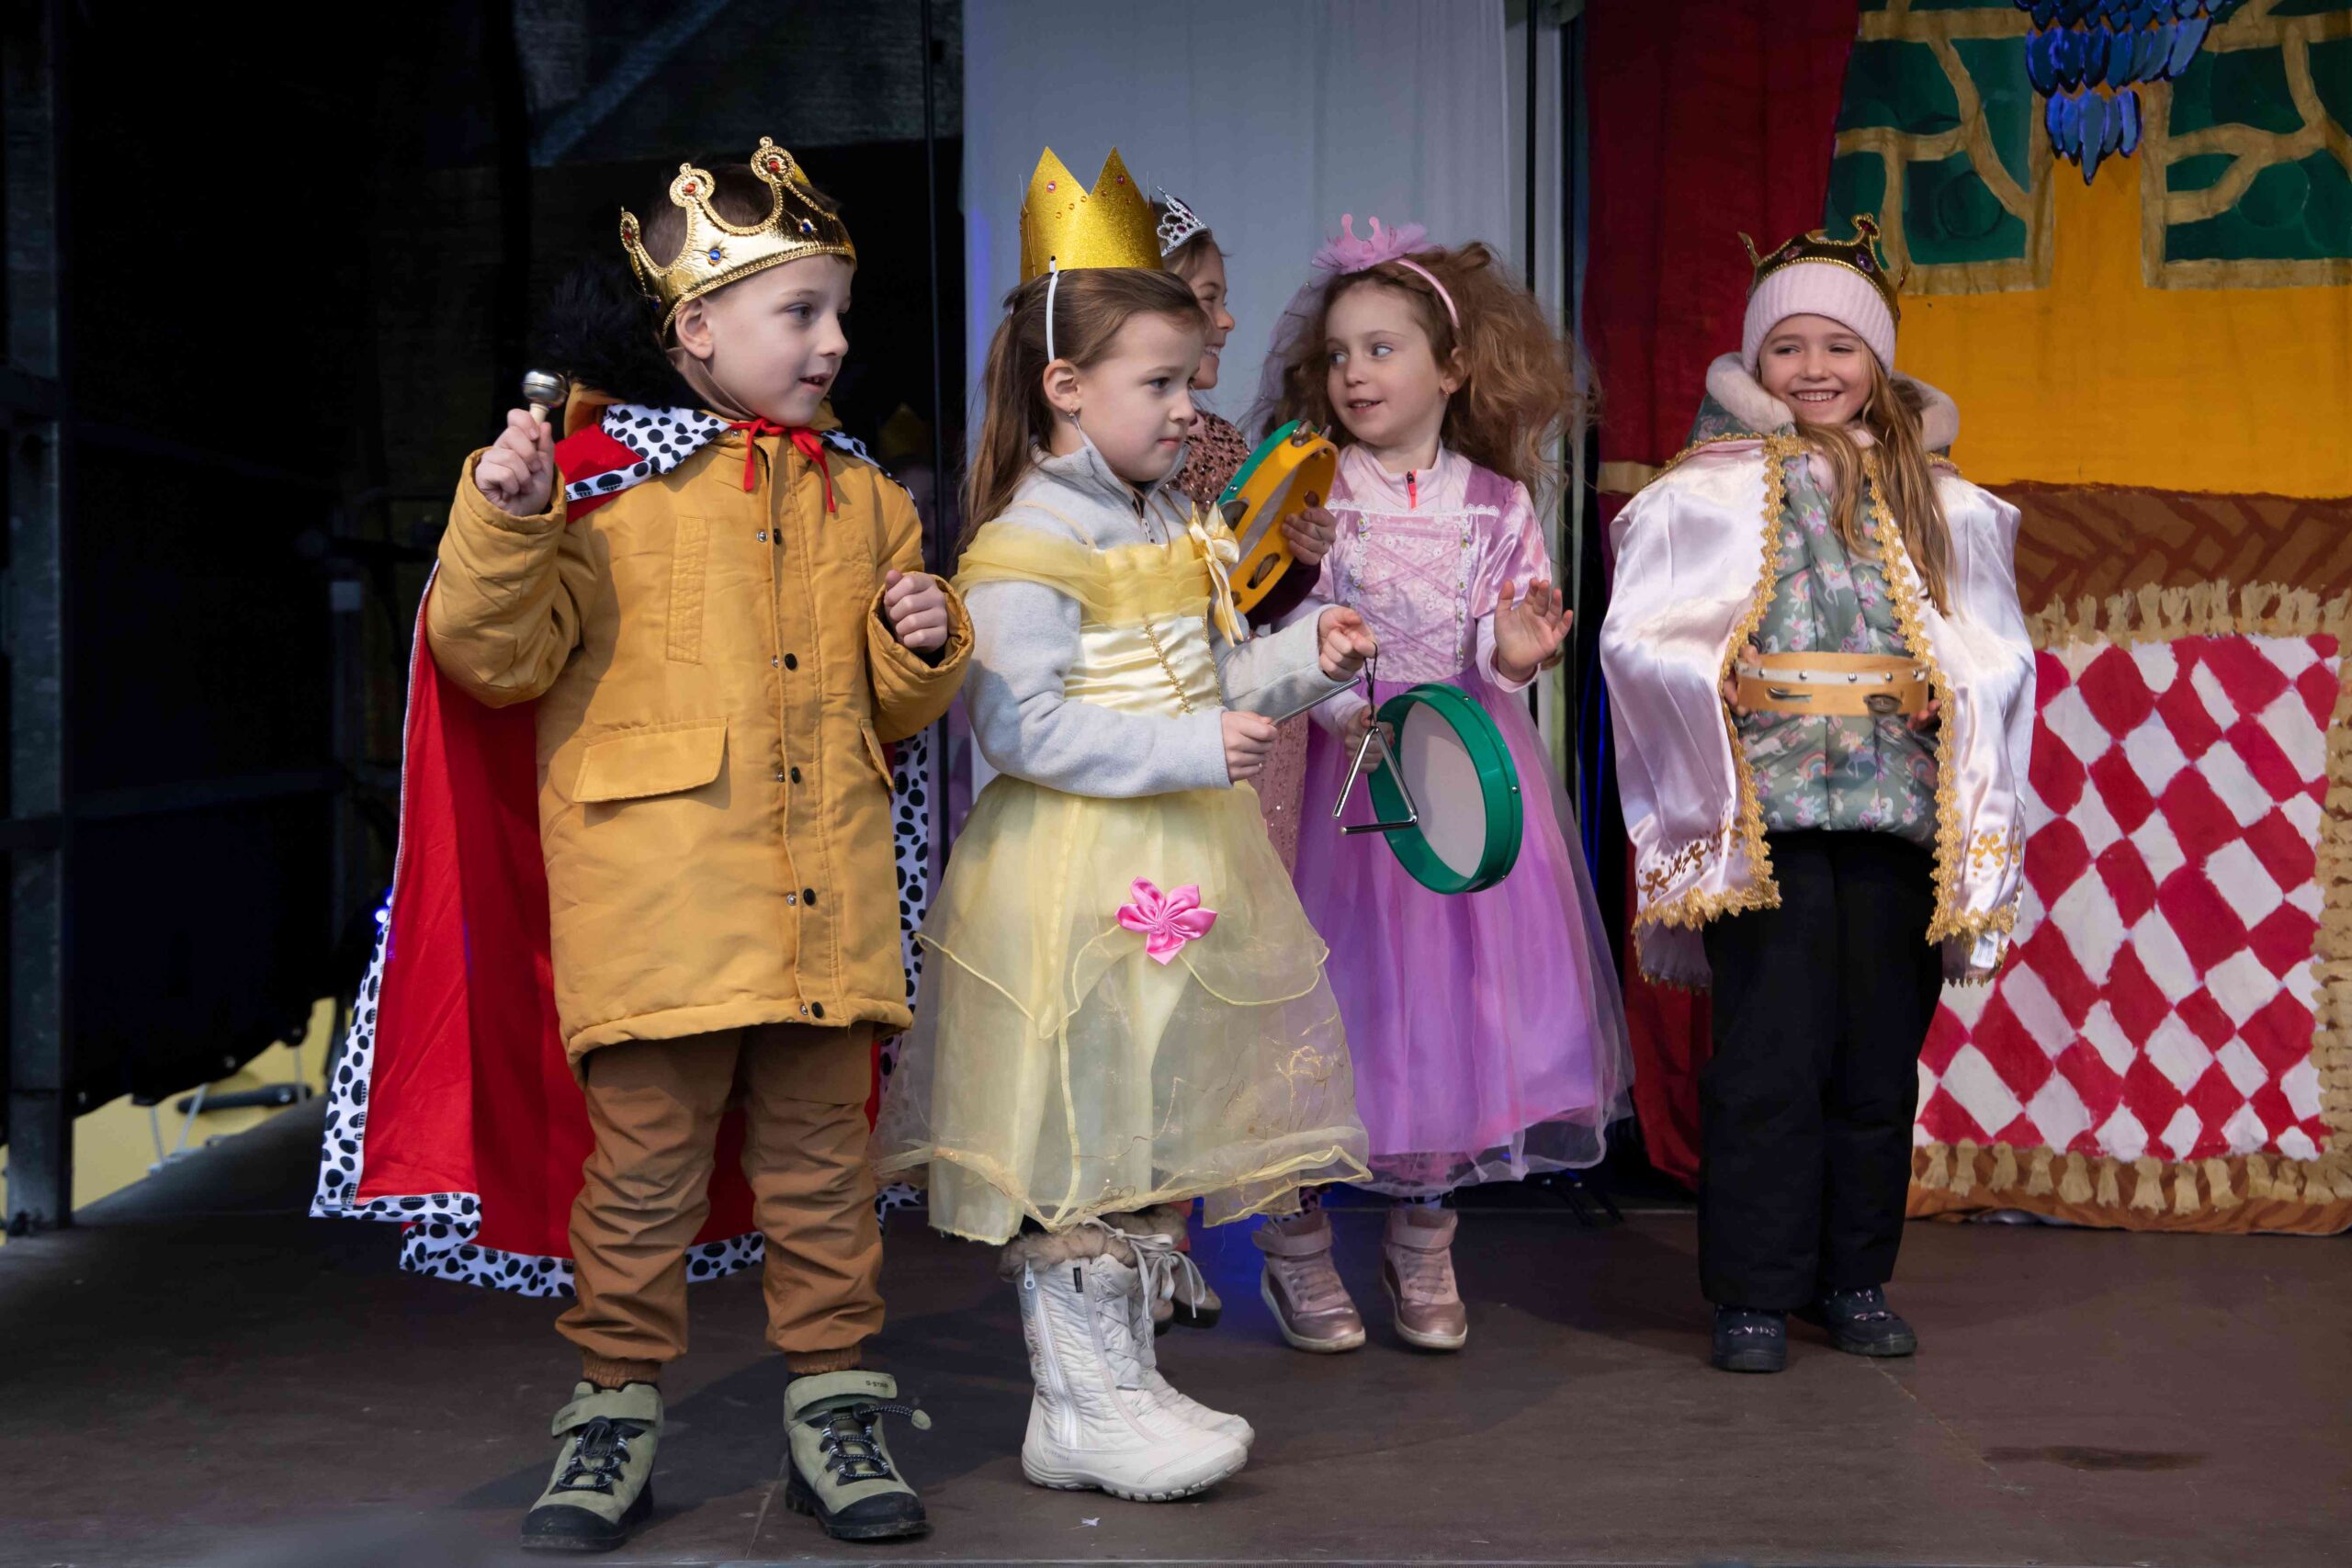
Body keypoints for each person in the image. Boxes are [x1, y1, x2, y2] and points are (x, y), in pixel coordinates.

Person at [383, 140, 967, 1550]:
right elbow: (492, 656)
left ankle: (834, 1404)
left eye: (839, 312)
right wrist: (503, 520)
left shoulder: (867, 499)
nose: (834, 341)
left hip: (825, 915)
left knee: (826, 1182)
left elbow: (891, 710)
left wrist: (925, 645)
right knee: (638, 1183)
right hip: (656, 917)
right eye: (800, 312)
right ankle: (611, 1413)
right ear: (695, 327)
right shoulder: (589, 490)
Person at [871, 149, 1375, 1502]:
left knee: (1143, 1118)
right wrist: (1194, 747)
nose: (1187, 407)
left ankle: (1118, 1382)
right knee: (1078, 1127)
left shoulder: (1166, 520)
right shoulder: (1026, 541)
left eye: (1190, 380)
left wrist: (1303, 659)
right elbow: (1019, 726)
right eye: (1161, 384)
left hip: (1177, 858)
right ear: (1066, 387)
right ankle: (1081, 1402)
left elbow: (1208, 679)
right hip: (1077, 875)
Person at [1599, 217, 2034, 1373]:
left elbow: (1997, 644)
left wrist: (1956, 685)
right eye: (1786, 346)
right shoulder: (1706, 493)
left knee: (1875, 1056)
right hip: (1769, 811)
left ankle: (1852, 1277)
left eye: (1839, 346)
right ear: (1755, 360)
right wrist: (1708, 673)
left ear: (1876, 361)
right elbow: (1640, 633)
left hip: (1898, 809)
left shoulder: (1940, 498)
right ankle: (1753, 1288)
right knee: (1768, 1057)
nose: (1813, 368)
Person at [1254, 216, 1632, 1355]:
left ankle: (1423, 1239)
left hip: (1457, 779)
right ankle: (1294, 1246)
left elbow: (1500, 648)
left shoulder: (1495, 503)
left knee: (1449, 1019)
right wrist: (1316, 629)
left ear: (1452, 368)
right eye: (1339, 354)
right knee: (1320, 1013)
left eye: (1382, 349)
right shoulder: (1314, 488)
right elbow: (1268, 633)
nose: (1354, 373)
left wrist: (1511, 658)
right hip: (1339, 786)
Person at [1159, 188, 1335, 873]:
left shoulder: (1225, 441)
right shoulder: (1129, 459)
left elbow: (1247, 606)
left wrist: (1296, 558)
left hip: (1249, 716)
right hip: (1179, 720)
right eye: (1209, 299)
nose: (1227, 320)